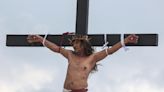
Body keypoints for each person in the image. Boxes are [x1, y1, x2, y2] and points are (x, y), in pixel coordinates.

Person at [27, 34, 139, 92]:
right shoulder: (70, 54)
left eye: (77, 44)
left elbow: (110, 51)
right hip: (66, 90)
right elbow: (56, 48)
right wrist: (41, 39)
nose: (74, 46)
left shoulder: (92, 58)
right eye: (73, 44)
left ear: (83, 44)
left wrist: (126, 40)